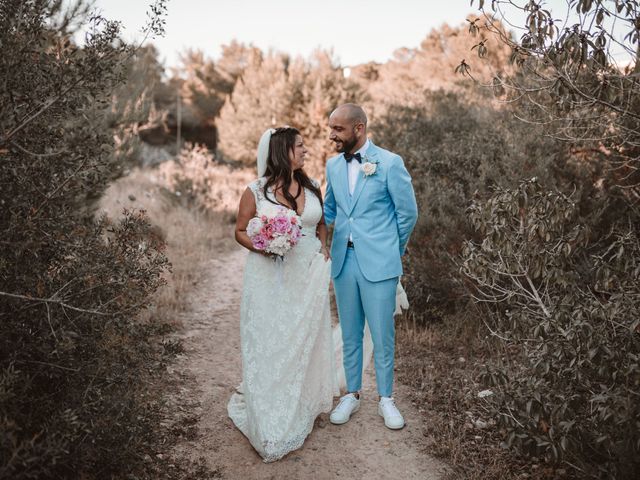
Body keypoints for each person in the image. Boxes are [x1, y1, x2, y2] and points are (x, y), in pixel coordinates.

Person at [227, 126, 338, 462]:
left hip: (307, 275)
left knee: (302, 337)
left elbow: (319, 223)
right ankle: (270, 412)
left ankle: (300, 401)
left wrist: (323, 248)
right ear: (282, 150)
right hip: (269, 275)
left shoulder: (312, 185)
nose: (306, 150)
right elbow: (240, 231)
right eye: (299, 145)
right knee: (272, 339)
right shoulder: (256, 191)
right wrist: (266, 246)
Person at [324, 104, 418, 430]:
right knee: (350, 333)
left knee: (382, 334)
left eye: (338, 129)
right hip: (343, 263)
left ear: (359, 128)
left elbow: (408, 213)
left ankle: (386, 399)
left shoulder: (390, 163)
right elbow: (330, 211)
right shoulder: (333, 166)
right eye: (331, 128)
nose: (332, 135)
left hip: (380, 263)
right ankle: (352, 394)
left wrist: (391, 249)